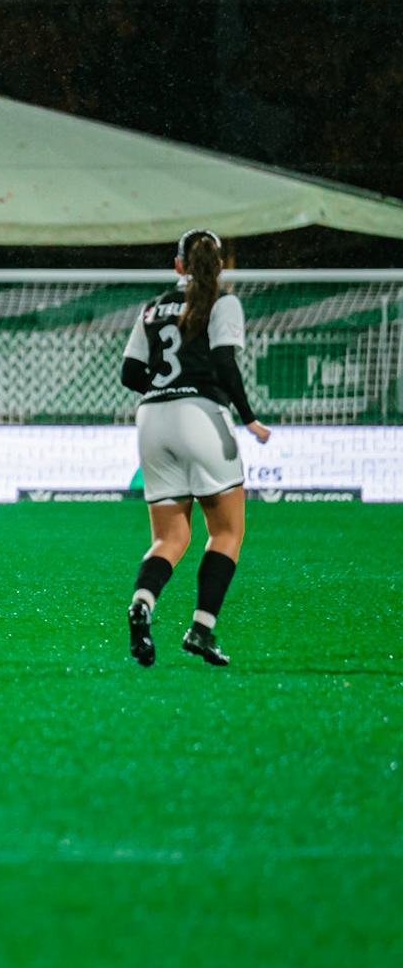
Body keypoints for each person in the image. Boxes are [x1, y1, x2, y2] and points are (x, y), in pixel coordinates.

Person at [120, 230, 271, 667]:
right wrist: (249, 418)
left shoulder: (152, 308)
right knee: (226, 532)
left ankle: (143, 602)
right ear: (220, 265)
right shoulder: (222, 302)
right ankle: (201, 630)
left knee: (170, 537)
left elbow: (129, 372)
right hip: (201, 416)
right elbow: (223, 362)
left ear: (178, 265)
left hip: (151, 419)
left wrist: (165, 392)